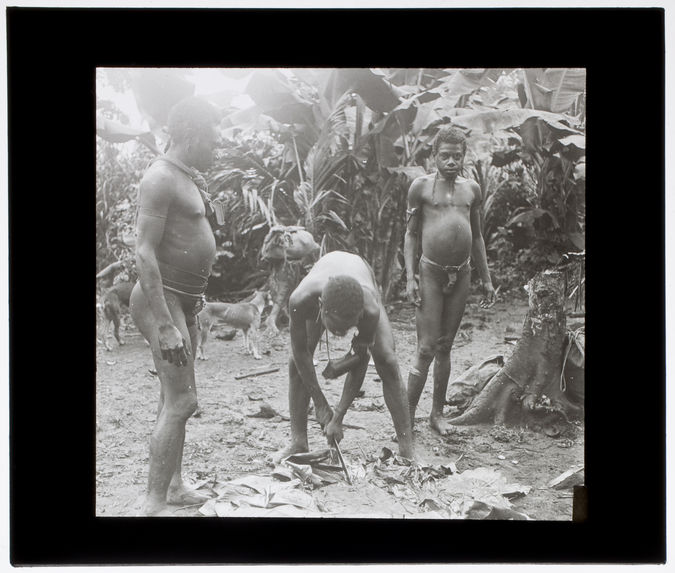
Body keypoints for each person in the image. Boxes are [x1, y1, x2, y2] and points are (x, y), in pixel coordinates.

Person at [129, 96, 221, 515]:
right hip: (161, 300)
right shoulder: (160, 178)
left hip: (184, 300)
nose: (217, 145)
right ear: (192, 134)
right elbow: (144, 252)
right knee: (182, 402)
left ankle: (175, 486)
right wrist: (166, 325)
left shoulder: (184, 175)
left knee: (175, 398)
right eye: (212, 137)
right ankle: (152, 503)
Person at [273, 251, 415, 461]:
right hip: (325, 282)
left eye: (347, 328)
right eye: (337, 329)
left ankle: (407, 452)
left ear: (359, 315)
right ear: (321, 309)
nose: (340, 334)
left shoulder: (369, 308)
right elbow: (300, 352)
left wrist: (338, 415)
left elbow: (361, 359)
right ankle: (298, 442)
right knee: (296, 363)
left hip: (359, 275)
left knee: (387, 359)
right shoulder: (300, 300)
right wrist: (320, 405)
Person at [404, 125, 496, 436]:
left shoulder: (472, 189)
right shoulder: (420, 187)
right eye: (445, 156)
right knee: (426, 347)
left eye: (457, 156)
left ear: (464, 157)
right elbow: (411, 234)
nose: (451, 162)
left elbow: (479, 236)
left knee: (445, 345)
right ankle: (406, 414)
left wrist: (487, 279)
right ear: (433, 156)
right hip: (430, 273)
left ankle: (437, 414)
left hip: (463, 274)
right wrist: (410, 278)